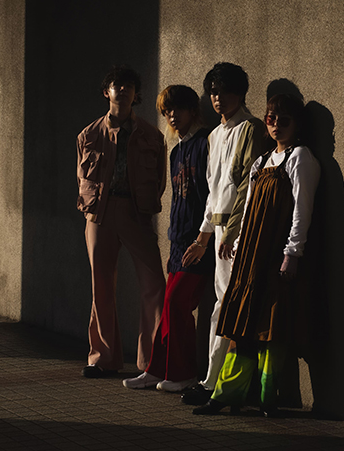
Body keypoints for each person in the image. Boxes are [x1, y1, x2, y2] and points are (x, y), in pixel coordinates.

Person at [192, 93, 321, 416]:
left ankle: (267, 398)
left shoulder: (300, 158)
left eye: (284, 120)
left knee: (270, 326)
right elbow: (249, 207)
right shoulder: (261, 162)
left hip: (277, 253)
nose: (276, 125)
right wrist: (238, 244)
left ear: (297, 124)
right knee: (242, 324)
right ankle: (226, 394)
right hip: (250, 255)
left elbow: (302, 212)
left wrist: (292, 253)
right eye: (271, 119)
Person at [180, 63, 271, 405]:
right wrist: (203, 237)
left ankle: (218, 385)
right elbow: (212, 191)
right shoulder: (214, 135)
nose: (218, 98)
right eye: (213, 92)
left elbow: (248, 185)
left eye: (224, 91)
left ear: (241, 93)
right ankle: (213, 382)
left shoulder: (251, 128)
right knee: (222, 304)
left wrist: (233, 232)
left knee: (230, 306)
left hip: (241, 230)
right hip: (220, 231)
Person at [122, 85, 214, 392]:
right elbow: (178, 201)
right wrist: (174, 241)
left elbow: (213, 196)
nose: (172, 115)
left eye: (178, 109)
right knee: (170, 307)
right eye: (167, 111)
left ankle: (183, 373)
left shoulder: (206, 143)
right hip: (178, 241)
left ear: (192, 110)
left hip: (199, 242)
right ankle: (158, 369)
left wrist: (202, 240)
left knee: (177, 303)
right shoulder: (176, 151)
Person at [76, 65, 167, 377]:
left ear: (136, 94)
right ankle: (102, 359)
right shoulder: (88, 135)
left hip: (136, 213)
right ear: (107, 92)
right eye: (118, 85)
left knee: (154, 284)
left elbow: (159, 181)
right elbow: (81, 178)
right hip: (99, 216)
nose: (123, 90)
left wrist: (143, 207)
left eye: (129, 86)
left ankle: (152, 362)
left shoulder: (152, 136)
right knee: (101, 285)